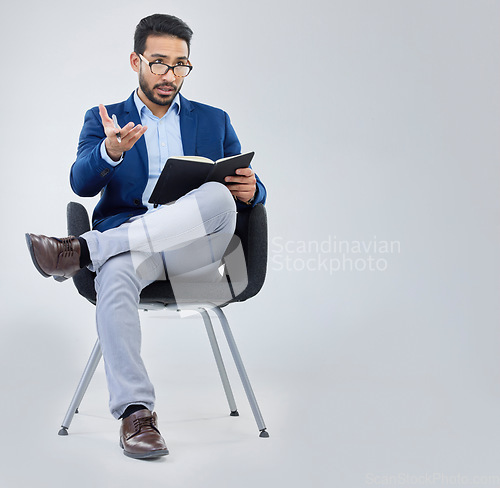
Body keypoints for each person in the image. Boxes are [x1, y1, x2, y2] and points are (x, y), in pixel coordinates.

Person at [25, 13, 266, 460]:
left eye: (181, 65)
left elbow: (246, 182)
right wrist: (110, 151)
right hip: (135, 249)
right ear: (136, 60)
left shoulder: (214, 120)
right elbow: (80, 183)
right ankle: (136, 414)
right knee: (114, 274)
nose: (170, 75)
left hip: (196, 248)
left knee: (215, 194)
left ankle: (81, 250)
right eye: (159, 63)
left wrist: (255, 189)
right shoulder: (105, 119)